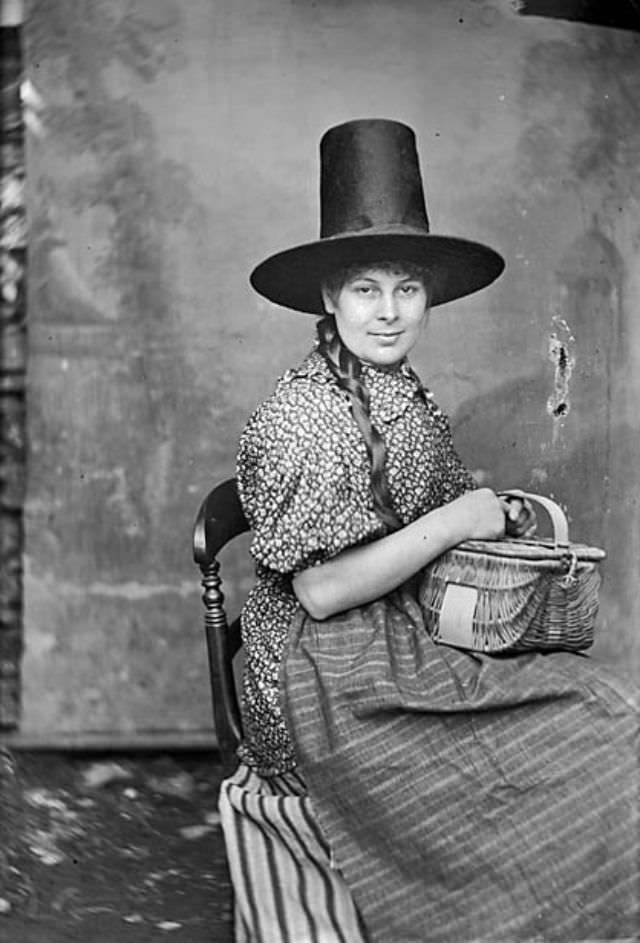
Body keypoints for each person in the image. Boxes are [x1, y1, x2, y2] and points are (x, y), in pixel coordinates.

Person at [218, 119, 639, 943]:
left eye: (407, 288)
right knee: (581, 737)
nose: (388, 312)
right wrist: (456, 518)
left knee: (605, 706)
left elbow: (432, 514)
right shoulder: (298, 417)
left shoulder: (400, 391)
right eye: (366, 289)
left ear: (429, 297)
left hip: (399, 633)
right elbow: (320, 589)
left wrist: (494, 513)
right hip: (311, 672)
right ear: (327, 297)